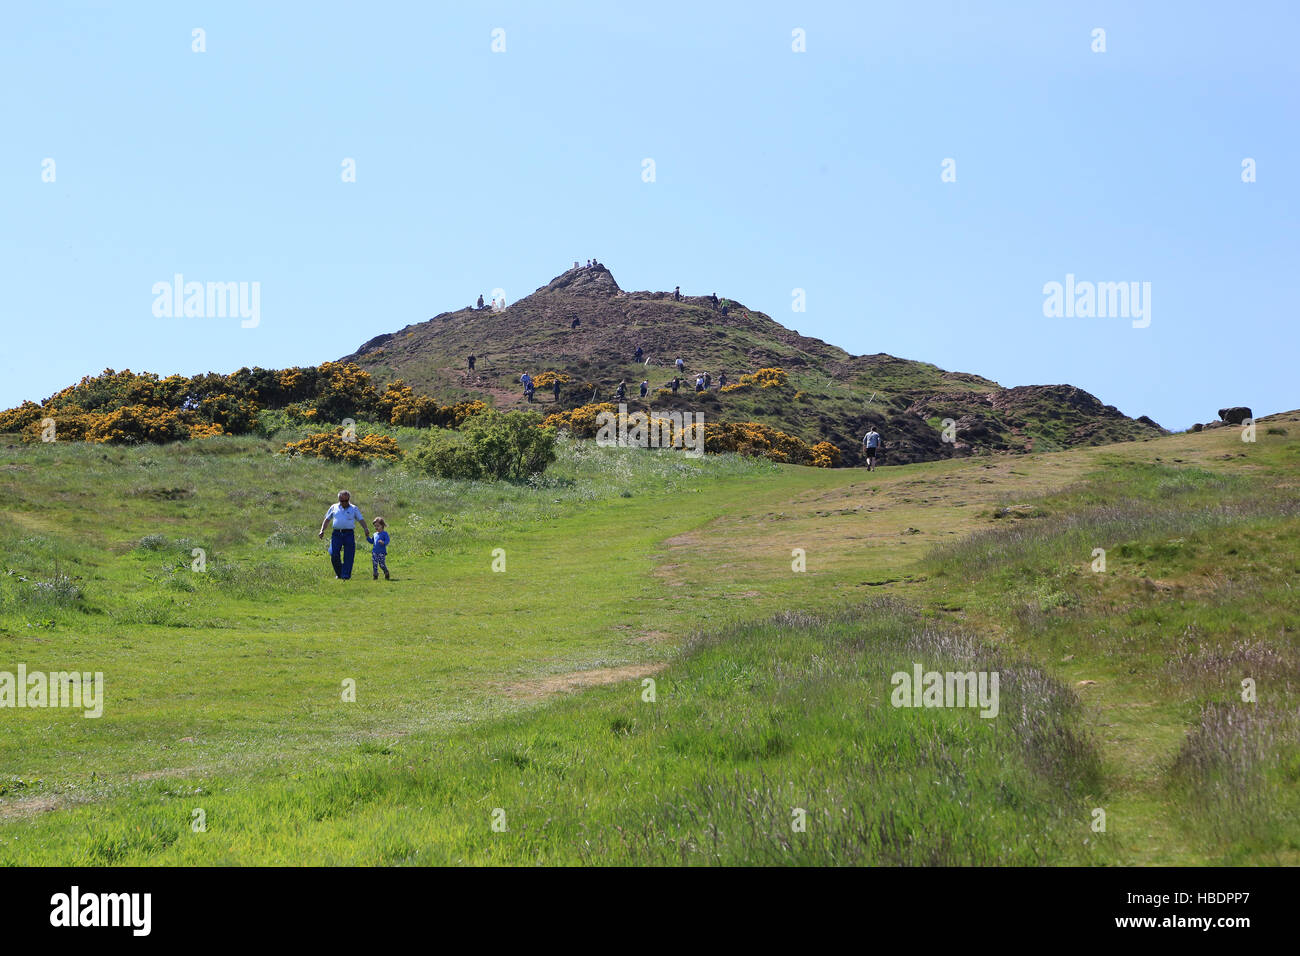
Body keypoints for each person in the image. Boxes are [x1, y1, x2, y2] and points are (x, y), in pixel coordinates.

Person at [318, 490, 370, 581]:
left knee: (349, 555)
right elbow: (327, 520)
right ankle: (339, 573)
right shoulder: (334, 507)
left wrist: (365, 528)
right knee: (333, 553)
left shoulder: (354, 508)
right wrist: (322, 530)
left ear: (349, 499)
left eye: (346, 500)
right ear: (339, 500)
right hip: (337, 534)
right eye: (342, 501)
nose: (344, 503)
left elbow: (361, 519)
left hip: (349, 534)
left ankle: (346, 575)